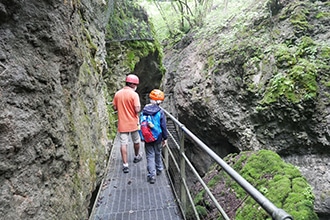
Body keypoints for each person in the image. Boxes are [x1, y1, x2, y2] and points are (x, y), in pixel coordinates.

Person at [113, 74, 143, 174]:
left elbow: (114, 108)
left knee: (123, 143)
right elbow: (137, 109)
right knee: (136, 141)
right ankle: (136, 156)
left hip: (122, 123)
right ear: (134, 85)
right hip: (133, 123)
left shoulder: (118, 94)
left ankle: (125, 165)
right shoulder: (134, 95)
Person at [140, 89, 168, 184]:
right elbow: (163, 126)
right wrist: (165, 138)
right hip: (158, 136)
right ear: (160, 101)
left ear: (151, 99)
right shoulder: (160, 112)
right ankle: (159, 169)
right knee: (158, 152)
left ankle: (152, 175)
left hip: (148, 137)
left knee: (149, 156)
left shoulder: (144, 110)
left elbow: (141, 123)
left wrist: (142, 137)